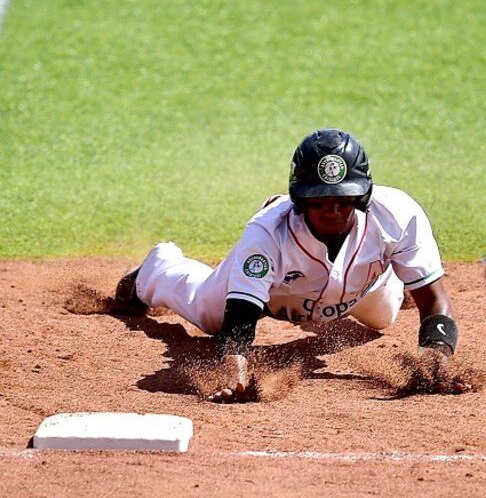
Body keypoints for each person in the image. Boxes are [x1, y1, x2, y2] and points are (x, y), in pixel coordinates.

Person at [115, 128, 463, 402]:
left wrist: (435, 364)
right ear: (299, 198)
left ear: (362, 195)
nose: (333, 211)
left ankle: (392, 278)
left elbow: (434, 301)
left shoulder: (398, 216)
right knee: (209, 317)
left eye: (344, 200)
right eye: (320, 201)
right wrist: (236, 369)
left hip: (362, 287)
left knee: (383, 318)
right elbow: (239, 316)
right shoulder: (266, 233)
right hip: (275, 297)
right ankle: (157, 270)